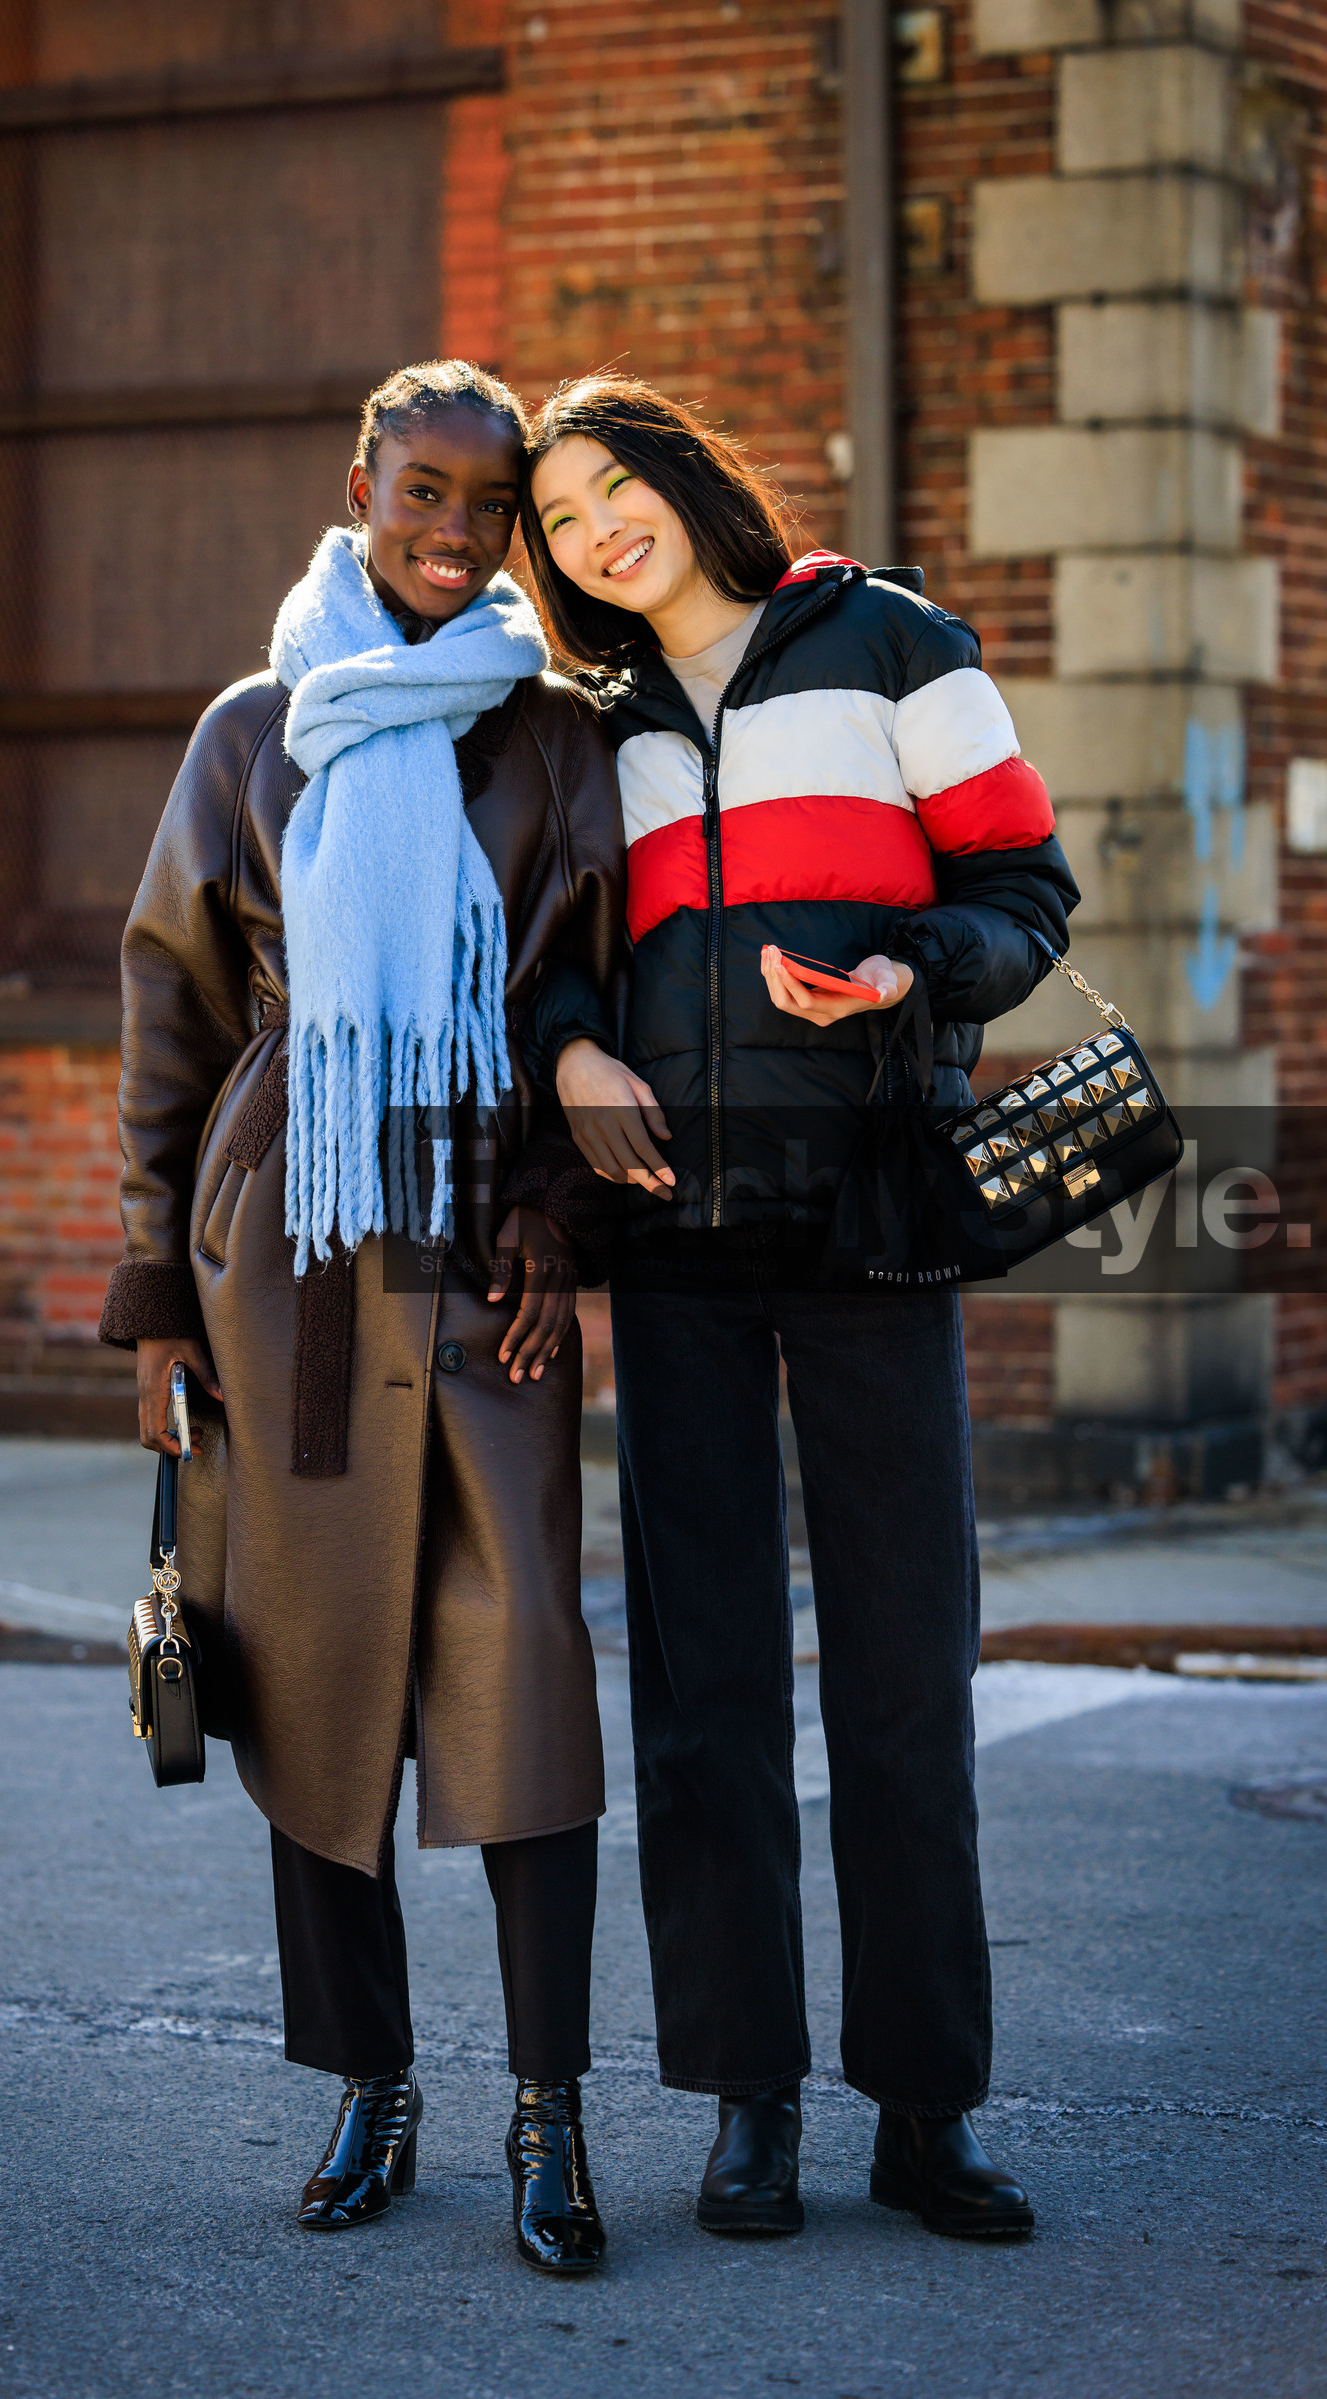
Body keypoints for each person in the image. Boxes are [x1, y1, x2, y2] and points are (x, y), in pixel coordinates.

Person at [517, 375, 1080, 2240]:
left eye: (615, 487)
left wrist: (911, 969)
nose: (598, 532)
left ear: (685, 479)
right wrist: (573, 1050)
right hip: (673, 1235)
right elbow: (544, 952)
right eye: (561, 518)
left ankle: (927, 2109)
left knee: (906, 1673)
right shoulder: (586, 723)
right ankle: (746, 2098)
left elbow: (1027, 890)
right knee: (707, 1689)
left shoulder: (892, 640)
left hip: (871, 1211)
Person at [99, 360, 626, 2275]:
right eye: (424, 492)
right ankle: (370, 2086)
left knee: (524, 1673)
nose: (454, 533)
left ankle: (549, 2112)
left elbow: (592, 994)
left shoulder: (554, 738)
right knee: (313, 1682)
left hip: (481, 1253)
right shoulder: (255, 731)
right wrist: (155, 1300)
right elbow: (169, 1015)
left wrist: (560, 1206)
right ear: (362, 487)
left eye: (489, 505)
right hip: (292, 1248)